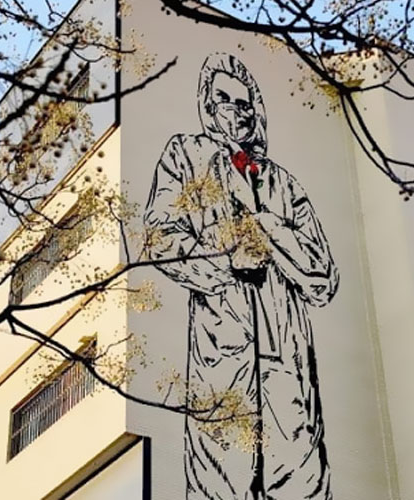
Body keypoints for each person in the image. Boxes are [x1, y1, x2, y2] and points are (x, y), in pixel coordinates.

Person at [144, 52, 339, 499]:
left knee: (302, 480)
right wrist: (225, 258)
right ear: (208, 106)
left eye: (246, 103)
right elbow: (160, 238)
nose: (239, 111)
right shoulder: (186, 156)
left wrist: (272, 230)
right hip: (222, 354)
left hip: (287, 359)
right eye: (226, 100)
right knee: (221, 479)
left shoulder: (283, 184)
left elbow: (323, 277)